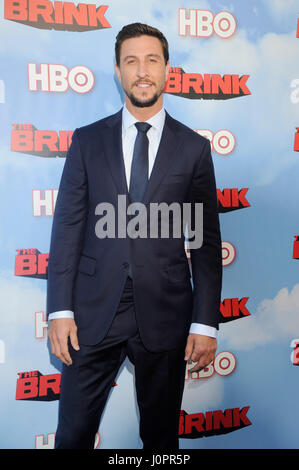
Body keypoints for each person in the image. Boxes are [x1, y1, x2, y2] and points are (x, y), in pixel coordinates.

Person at [46, 22, 222, 449]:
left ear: (166, 70)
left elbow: (203, 242)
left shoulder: (193, 148)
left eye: (151, 60)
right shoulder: (87, 141)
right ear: (118, 71)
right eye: (131, 61)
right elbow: (67, 228)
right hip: (91, 315)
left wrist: (206, 323)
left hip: (165, 312)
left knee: (161, 440)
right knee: (73, 436)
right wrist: (59, 311)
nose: (142, 70)